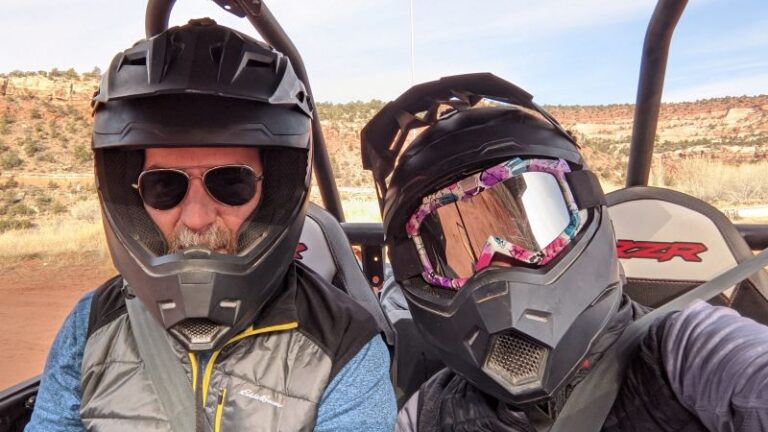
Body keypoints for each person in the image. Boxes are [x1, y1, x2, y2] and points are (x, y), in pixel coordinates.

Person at [26, 19, 396, 432]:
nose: (198, 217)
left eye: (231, 182)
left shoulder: (345, 344)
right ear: (133, 196)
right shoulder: (91, 324)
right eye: (165, 185)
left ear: (272, 190)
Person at [361, 73, 768, 431]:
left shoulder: (690, 352)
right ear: (418, 271)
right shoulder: (428, 414)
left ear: (583, 207)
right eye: (463, 247)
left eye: (527, 229)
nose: (500, 259)